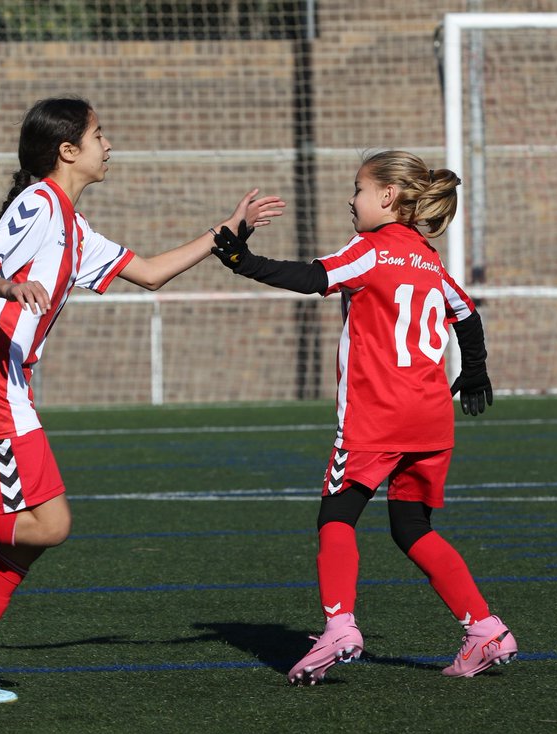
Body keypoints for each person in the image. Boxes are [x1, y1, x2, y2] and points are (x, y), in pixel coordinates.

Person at [0, 97, 284, 702]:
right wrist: (7, 283)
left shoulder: (73, 227)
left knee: (30, 535)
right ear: (68, 151)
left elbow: (151, 272)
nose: (111, 145)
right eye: (101, 135)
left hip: (8, 383)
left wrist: (224, 232)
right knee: (43, 525)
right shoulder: (39, 204)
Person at [209, 149, 517, 685]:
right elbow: (466, 312)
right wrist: (476, 370)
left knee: (336, 517)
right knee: (412, 527)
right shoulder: (427, 258)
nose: (350, 200)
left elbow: (310, 277)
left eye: (357, 189)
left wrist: (241, 260)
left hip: (376, 419)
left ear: (386, 197)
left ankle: (339, 627)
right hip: (430, 420)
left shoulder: (371, 250)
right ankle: (485, 629)